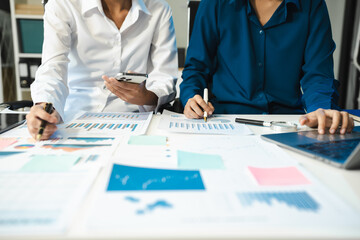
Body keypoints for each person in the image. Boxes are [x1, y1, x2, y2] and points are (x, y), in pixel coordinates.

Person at [180, 0, 354, 135]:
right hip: (225, 121)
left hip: (287, 123)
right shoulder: (215, 4)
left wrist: (320, 110)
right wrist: (191, 98)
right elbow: (196, 69)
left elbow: (319, 75)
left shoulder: (312, 6)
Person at [26, 0, 178, 140]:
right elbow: (53, 68)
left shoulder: (159, 9)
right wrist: (44, 106)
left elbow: (165, 76)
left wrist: (146, 96)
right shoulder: (63, 4)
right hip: (74, 117)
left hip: (136, 121)